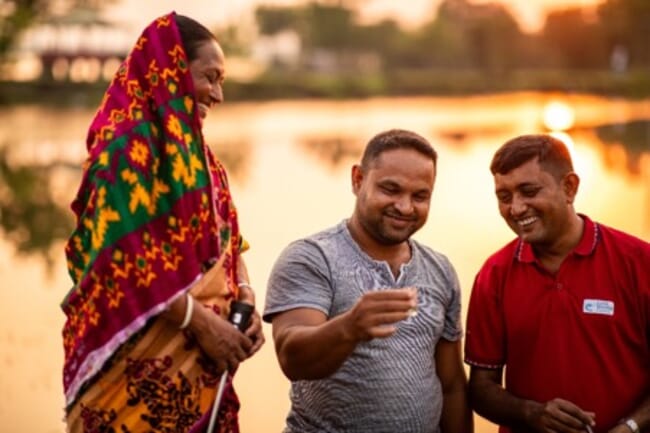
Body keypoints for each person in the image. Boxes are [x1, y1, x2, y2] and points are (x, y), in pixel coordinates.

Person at [61, 12, 264, 433]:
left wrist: (244, 294)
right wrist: (201, 322)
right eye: (210, 77)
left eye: (221, 80)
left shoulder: (203, 161)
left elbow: (230, 242)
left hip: (203, 369)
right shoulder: (124, 152)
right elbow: (118, 260)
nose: (218, 94)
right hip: (131, 370)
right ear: (171, 71)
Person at [264, 129, 473, 433]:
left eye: (420, 196)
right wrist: (350, 328)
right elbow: (292, 360)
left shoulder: (439, 269)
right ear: (358, 180)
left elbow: (452, 385)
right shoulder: (311, 258)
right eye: (391, 189)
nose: (405, 207)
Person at [464, 134, 650, 433]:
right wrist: (531, 414)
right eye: (504, 196)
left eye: (529, 191)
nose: (516, 208)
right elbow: (480, 389)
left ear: (569, 187)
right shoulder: (494, 274)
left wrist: (630, 427)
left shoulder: (640, 263)